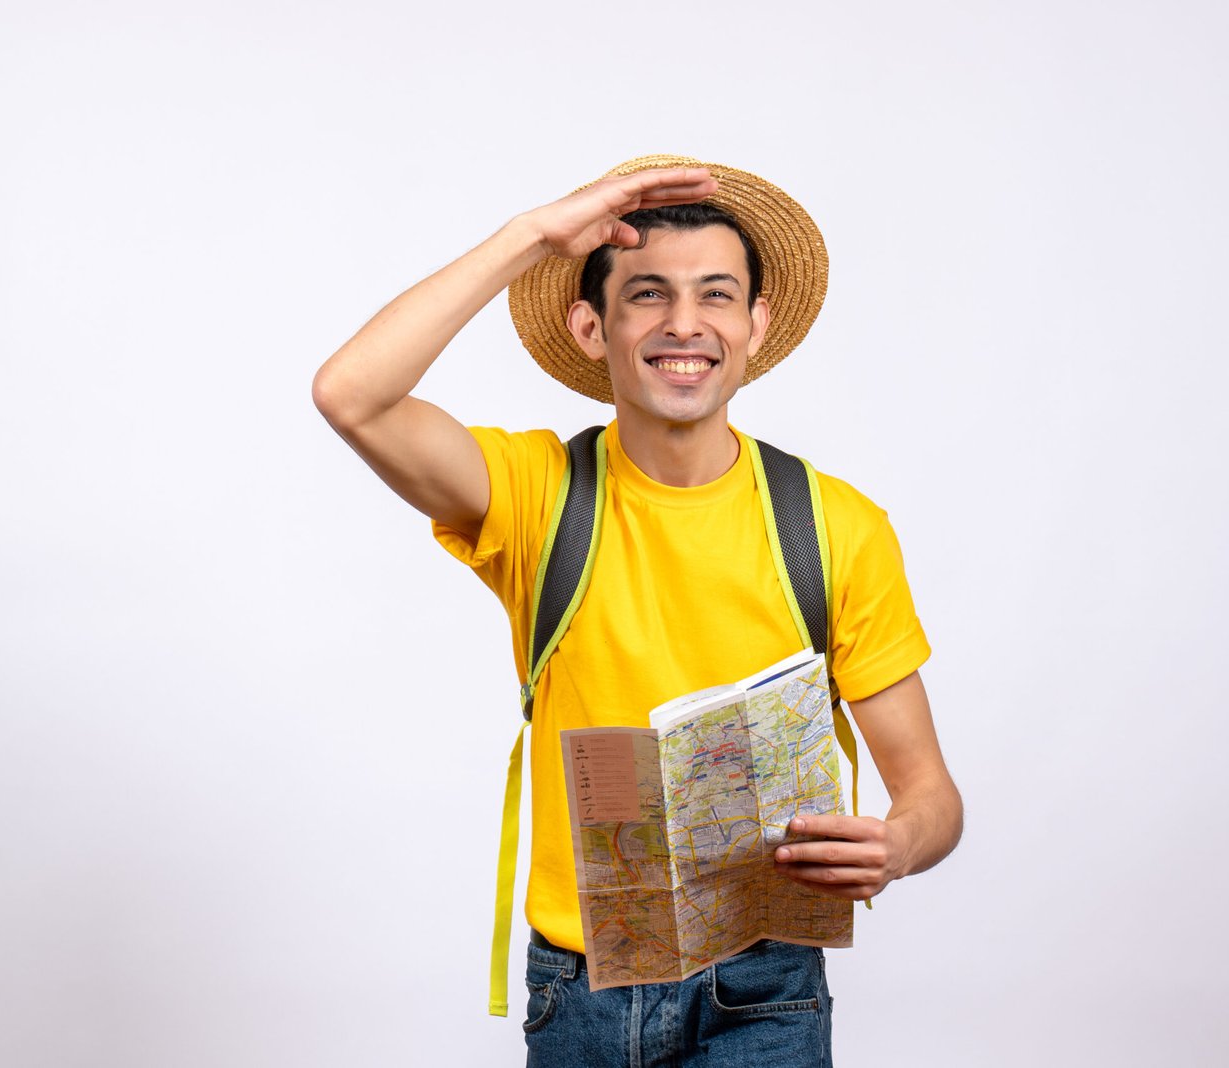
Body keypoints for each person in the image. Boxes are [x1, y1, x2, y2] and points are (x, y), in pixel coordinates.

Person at [312, 155, 963, 1067]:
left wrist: (896, 845)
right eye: (648, 295)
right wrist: (534, 236)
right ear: (592, 325)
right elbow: (351, 393)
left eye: (716, 295)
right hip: (580, 993)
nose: (684, 324)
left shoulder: (835, 528)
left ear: (754, 324)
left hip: (765, 995)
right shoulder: (538, 497)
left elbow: (932, 795)